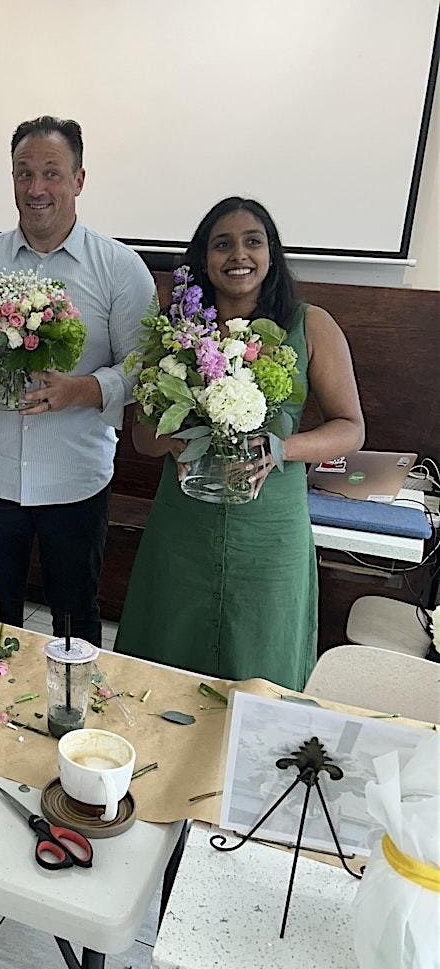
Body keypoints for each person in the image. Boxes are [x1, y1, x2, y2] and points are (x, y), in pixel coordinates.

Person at [0, 115, 156, 645]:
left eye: (51, 173)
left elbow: (143, 366)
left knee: (74, 623)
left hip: (75, 482)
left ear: (79, 180)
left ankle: (71, 701)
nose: (36, 188)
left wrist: (83, 390)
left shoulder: (120, 268)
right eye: (23, 173)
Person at [115, 196, 365, 690]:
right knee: (165, 670)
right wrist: (176, 442)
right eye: (222, 244)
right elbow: (143, 437)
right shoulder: (176, 332)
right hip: (183, 526)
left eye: (253, 242)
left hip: (269, 532)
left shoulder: (309, 324)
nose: (238, 255)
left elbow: (351, 428)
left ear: (271, 253)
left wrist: (281, 448)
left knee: (262, 672)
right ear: (203, 258)